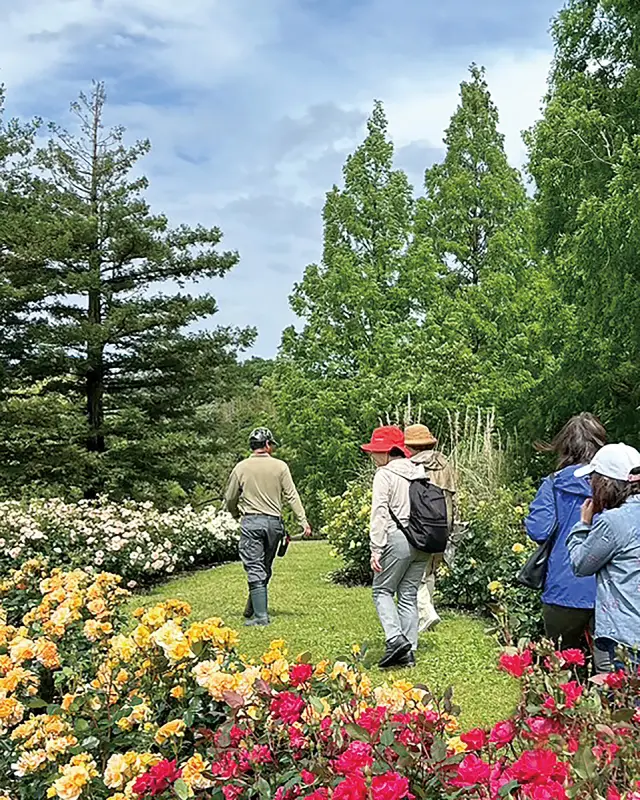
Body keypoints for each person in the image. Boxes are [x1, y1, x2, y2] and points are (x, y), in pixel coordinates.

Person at [525, 413, 609, 671]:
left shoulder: (553, 484)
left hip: (564, 585)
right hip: (606, 588)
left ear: (565, 446)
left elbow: (540, 530)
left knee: (559, 667)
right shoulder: (613, 484)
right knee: (610, 672)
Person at [225, 427, 311, 627]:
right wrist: (303, 521)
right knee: (264, 566)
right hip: (274, 524)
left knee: (255, 567)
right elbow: (292, 495)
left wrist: (235, 513)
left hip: (252, 522)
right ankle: (253, 607)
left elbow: (230, 497)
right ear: (266, 445)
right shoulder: (280, 467)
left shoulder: (241, 467)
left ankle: (261, 617)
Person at [568, 443, 640, 671]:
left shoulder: (613, 522)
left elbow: (580, 564)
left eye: (593, 479)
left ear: (606, 483)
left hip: (623, 638)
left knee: (621, 702)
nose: (590, 485)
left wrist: (583, 524)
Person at [362, 425, 429, 669]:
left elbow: (379, 513)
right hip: (423, 540)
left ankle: (395, 639)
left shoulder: (385, 474)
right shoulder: (419, 471)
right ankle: (409, 651)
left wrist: (376, 548)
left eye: (375, 451)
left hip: (398, 539)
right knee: (408, 594)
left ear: (389, 451)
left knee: (381, 590)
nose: (372, 456)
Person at [404, 424, 456, 632]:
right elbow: (454, 495)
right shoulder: (445, 464)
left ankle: (425, 613)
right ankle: (428, 613)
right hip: (444, 520)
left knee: (415, 569)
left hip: (422, 521)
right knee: (432, 567)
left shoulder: (413, 466)